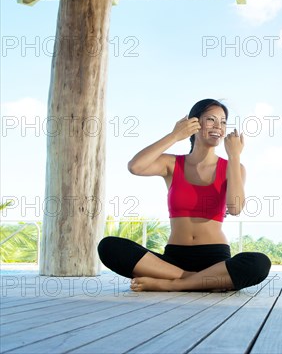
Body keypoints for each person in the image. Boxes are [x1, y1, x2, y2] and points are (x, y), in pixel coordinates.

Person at [98, 99, 271, 292]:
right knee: (109, 247)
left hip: (214, 259)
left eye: (223, 122)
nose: (219, 127)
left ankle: (173, 284)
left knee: (259, 263)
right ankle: (202, 281)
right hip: (173, 261)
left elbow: (235, 208)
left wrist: (235, 156)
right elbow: (135, 167)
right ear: (194, 124)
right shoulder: (172, 164)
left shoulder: (234, 167)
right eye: (211, 120)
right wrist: (174, 136)